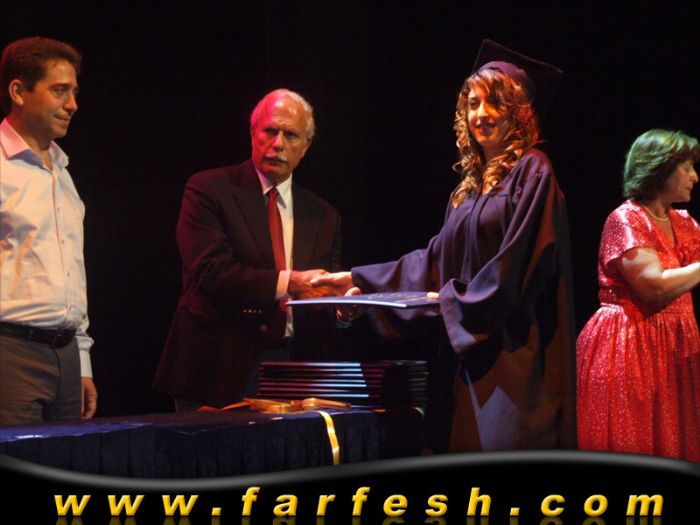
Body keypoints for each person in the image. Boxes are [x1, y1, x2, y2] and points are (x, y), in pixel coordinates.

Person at [313, 40, 577, 452]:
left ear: (518, 111)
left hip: (513, 354)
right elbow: (434, 262)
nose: (481, 114)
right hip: (464, 359)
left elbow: (519, 264)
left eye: (494, 103)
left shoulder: (533, 171)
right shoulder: (467, 191)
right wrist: (359, 282)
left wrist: (452, 300)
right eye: (472, 104)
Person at [153, 88, 344, 410]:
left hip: (293, 367)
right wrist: (292, 282)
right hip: (219, 366)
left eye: (291, 135)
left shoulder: (324, 215)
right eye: (270, 131)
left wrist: (342, 310)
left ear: (306, 145)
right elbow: (210, 272)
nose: (278, 144)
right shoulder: (209, 189)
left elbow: (325, 286)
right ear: (253, 133)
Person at [577, 129, 700, 461]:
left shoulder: (685, 223)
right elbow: (653, 287)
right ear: (660, 168)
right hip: (630, 345)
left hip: (676, 345)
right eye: (687, 167)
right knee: (636, 444)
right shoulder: (626, 219)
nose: (695, 177)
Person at [0, 36, 97, 425]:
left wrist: (82, 362)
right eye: (59, 91)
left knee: (68, 459)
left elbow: (73, 273)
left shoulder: (62, 172)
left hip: (66, 355)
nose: (72, 104)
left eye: (74, 92)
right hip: (12, 352)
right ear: (18, 92)